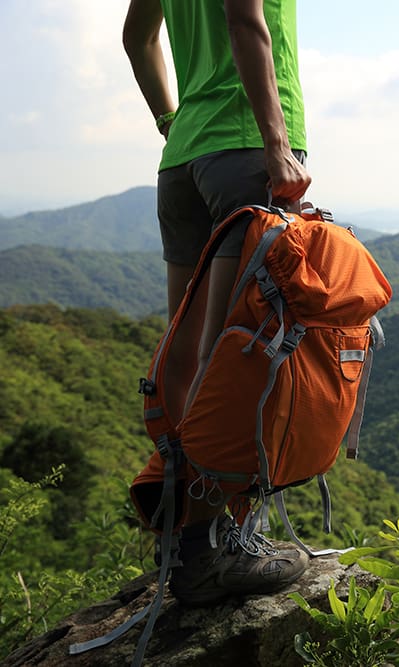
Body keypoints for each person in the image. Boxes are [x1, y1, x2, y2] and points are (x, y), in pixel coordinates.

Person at [123, 0, 311, 605]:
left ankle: (188, 537)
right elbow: (243, 18)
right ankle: (211, 555)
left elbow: (137, 37)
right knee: (230, 356)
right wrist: (276, 142)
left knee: (184, 356)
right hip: (243, 151)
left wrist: (169, 118)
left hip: (182, 160)